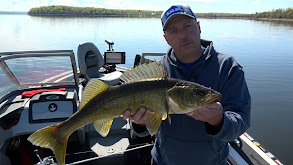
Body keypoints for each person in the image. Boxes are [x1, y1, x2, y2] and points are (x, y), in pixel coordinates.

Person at [123, 3, 251, 165]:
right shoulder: (156, 73)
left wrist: (219, 120)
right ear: (166, 39)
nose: (183, 35)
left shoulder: (228, 68)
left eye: (187, 26)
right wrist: (140, 124)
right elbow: (141, 132)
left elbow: (241, 121)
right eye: (174, 31)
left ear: (198, 27)